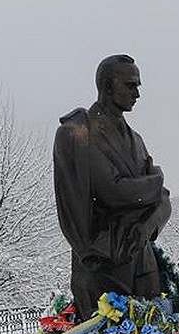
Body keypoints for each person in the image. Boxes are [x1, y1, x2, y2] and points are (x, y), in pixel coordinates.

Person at [53, 55, 171, 319]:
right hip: (104, 268)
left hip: (143, 263)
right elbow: (113, 191)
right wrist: (156, 180)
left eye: (137, 85)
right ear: (107, 87)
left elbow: (163, 198)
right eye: (130, 85)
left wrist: (146, 226)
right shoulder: (79, 133)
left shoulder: (136, 140)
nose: (137, 93)